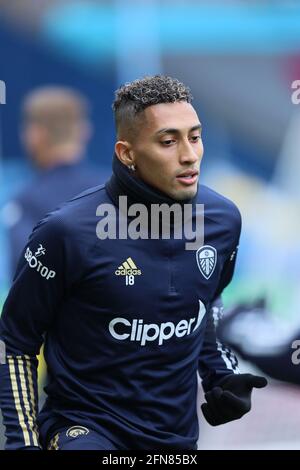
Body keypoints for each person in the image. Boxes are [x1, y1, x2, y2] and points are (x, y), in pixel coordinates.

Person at [0, 75, 267, 450]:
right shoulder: (67, 230)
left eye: (195, 136)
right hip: (86, 429)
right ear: (127, 153)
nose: (189, 154)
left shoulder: (222, 220)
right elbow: (14, 340)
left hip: (175, 440)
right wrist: (22, 442)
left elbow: (206, 306)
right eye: (168, 141)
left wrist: (219, 374)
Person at [1, 86, 101, 277]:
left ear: (35, 134)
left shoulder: (25, 202)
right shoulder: (117, 189)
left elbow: (26, 275)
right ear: (84, 131)